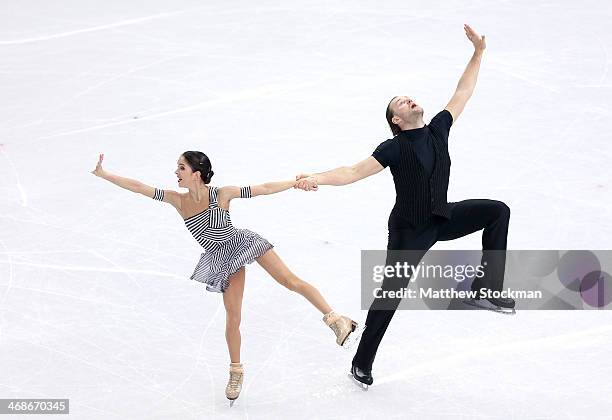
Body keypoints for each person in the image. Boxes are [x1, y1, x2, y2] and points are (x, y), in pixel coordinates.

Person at [295, 24, 514, 388]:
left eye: (408, 97)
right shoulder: (393, 147)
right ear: (396, 120)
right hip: (409, 229)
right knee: (390, 295)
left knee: (497, 210)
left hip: (442, 217)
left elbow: (463, 91)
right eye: (400, 102)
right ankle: (360, 363)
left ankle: (485, 288)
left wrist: (478, 53)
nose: (408, 100)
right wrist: (315, 177)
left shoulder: (439, 128)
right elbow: (352, 171)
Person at [91, 151, 359, 405]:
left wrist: (297, 181)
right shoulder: (178, 200)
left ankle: (336, 321)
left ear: (197, 173)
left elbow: (263, 188)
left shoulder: (222, 194)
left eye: (181, 167)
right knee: (233, 317)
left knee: (290, 281)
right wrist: (105, 174)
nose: (176, 172)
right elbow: (139, 187)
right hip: (222, 260)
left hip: (242, 242)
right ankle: (236, 371)